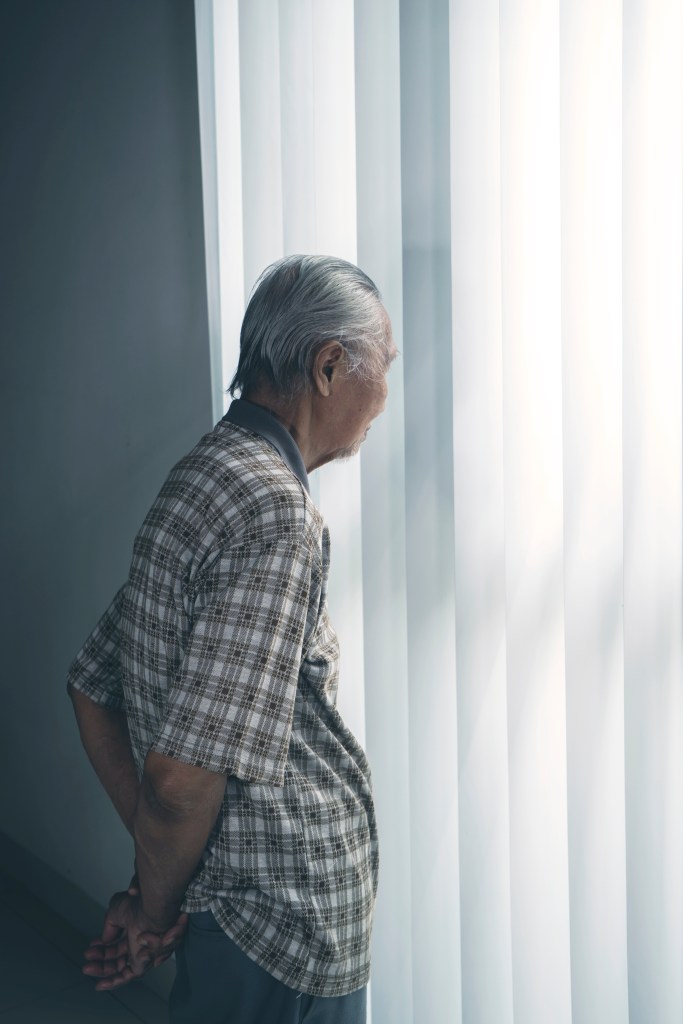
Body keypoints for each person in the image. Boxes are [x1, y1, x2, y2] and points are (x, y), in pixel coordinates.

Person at [67, 254, 396, 1024]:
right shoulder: (275, 510)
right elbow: (180, 777)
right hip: (280, 922)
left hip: (231, 914)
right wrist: (155, 904)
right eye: (384, 365)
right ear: (327, 366)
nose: (383, 396)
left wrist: (160, 887)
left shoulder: (203, 473)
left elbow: (91, 684)